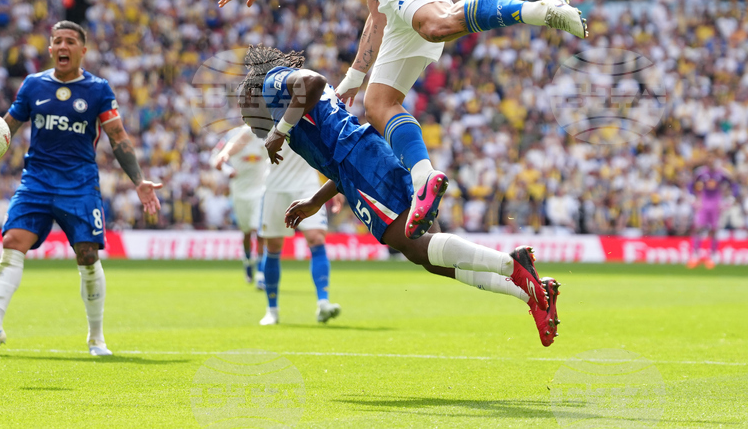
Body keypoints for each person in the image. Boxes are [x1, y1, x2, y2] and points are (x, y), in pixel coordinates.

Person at [219, 0, 588, 239]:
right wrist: (353, 80)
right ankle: (424, 177)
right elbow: (377, 16)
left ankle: (539, 8)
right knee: (379, 104)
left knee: (436, 24)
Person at [236, 44, 559, 346]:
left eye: (245, 110)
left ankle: (511, 265)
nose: (247, 121)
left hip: (361, 161)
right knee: (429, 257)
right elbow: (335, 159)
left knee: (412, 244)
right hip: (360, 159)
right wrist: (315, 201)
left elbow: (313, 80)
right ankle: (531, 294)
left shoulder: (272, 83)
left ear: (254, 94)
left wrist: (280, 131)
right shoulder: (290, 114)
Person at [0, 21, 162, 356]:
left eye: (70, 41)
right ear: (51, 49)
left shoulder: (98, 89)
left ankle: (96, 338)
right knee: (12, 242)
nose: (63, 46)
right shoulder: (33, 85)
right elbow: (4, 131)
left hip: (79, 184)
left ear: (83, 50)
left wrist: (138, 180)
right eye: (57, 41)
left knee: (87, 254)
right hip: (37, 181)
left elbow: (118, 137)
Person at [256, 144, 341, 326]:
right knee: (273, 245)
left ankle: (323, 303)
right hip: (275, 186)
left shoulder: (311, 120)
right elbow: (246, 138)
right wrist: (225, 153)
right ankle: (272, 310)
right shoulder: (261, 125)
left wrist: (335, 181)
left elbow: (323, 147)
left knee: (317, 238)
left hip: (307, 185)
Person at [210, 124, 268, 285]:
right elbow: (214, 158)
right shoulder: (232, 136)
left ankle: (261, 273)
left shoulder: (263, 133)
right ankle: (248, 261)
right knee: (247, 232)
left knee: (260, 231)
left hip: (260, 190)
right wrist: (228, 171)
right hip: (240, 191)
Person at [687, 157, 739, 269]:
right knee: (698, 228)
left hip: (716, 204)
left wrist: (731, 198)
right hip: (704, 203)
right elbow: (691, 184)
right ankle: (695, 254)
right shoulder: (701, 172)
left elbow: (734, 184)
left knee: (714, 230)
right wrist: (691, 196)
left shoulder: (722, 173)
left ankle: (712, 255)